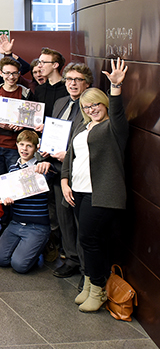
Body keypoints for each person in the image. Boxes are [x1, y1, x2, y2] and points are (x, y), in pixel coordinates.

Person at [61, 58, 129, 313]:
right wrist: (65, 181)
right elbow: (70, 155)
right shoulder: (83, 125)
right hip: (77, 190)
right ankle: (89, 282)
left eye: (96, 104)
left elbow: (119, 113)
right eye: (87, 106)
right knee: (88, 240)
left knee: (90, 240)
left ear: (105, 103)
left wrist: (116, 87)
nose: (91, 109)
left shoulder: (114, 128)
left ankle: (98, 289)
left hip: (100, 194)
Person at [46, 63, 92, 280]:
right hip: (56, 169)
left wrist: (69, 156)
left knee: (80, 222)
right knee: (64, 219)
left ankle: (86, 268)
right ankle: (71, 259)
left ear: (87, 83)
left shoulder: (91, 107)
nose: (72, 83)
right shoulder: (60, 102)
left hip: (78, 170)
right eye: (69, 79)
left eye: (78, 79)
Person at [0, 130, 54, 273]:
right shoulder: (12, 169)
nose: (24, 149)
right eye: (21, 144)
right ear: (16, 145)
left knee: (19, 265)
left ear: (36, 148)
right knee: (0, 259)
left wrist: (49, 167)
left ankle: (41, 245)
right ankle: (26, 247)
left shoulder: (41, 168)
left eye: (29, 146)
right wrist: (6, 200)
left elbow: (53, 175)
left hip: (37, 226)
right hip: (16, 223)